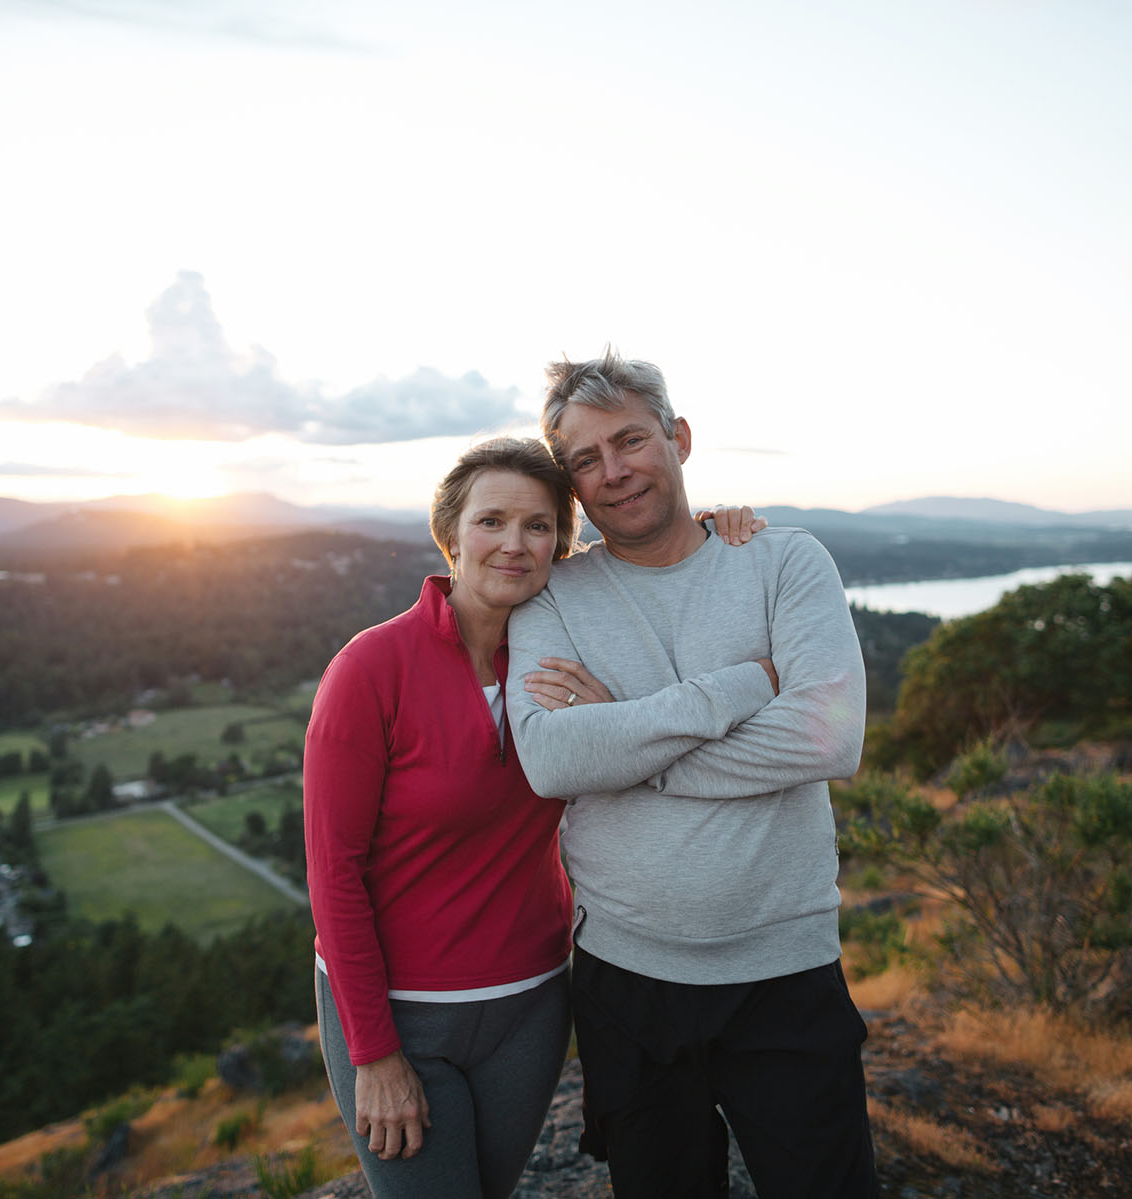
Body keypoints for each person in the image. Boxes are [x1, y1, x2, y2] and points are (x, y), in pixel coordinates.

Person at [303, 436, 764, 1199]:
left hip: (531, 1005)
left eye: (539, 525)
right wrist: (374, 1053)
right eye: (492, 521)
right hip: (405, 1012)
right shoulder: (370, 668)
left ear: (561, 544)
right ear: (451, 535)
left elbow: (658, 581)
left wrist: (716, 530)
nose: (514, 543)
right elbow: (333, 873)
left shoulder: (565, 661)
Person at [507, 350, 877, 1199]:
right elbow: (555, 759)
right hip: (626, 981)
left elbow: (830, 738)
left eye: (630, 440)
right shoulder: (553, 596)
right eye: (585, 460)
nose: (613, 471)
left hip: (785, 968)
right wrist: (743, 687)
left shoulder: (784, 561)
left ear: (677, 437)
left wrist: (628, 744)